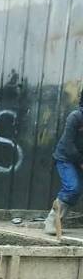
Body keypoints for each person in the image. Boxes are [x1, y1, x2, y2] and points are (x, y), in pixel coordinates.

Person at [44, 91, 83, 234]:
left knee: (76, 192)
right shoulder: (76, 117)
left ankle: (59, 221)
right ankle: (51, 222)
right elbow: (68, 144)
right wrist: (81, 162)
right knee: (72, 187)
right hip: (65, 158)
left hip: (79, 159)